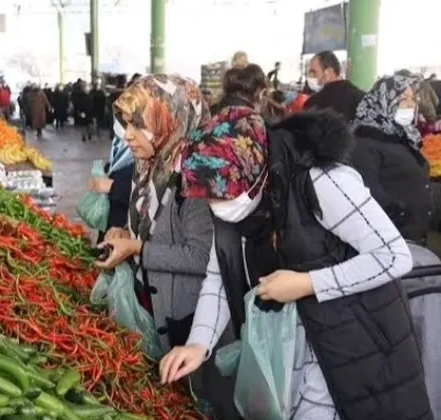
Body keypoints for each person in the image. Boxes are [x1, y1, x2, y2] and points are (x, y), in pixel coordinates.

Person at [162, 63, 432, 420]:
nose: (217, 206)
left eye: (222, 196)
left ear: (256, 170)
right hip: (297, 346)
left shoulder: (320, 182)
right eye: (209, 199)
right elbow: (218, 271)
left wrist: (307, 283)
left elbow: (394, 256)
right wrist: (199, 343)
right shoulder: (230, 191)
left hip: (358, 344)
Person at [96, 74, 213, 352]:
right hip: (150, 301)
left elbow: (201, 256)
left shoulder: (194, 178)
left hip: (183, 320)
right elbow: (150, 227)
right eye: (127, 124)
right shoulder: (148, 166)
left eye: (138, 124)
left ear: (168, 120)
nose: (127, 134)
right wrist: (125, 233)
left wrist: (136, 248)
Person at [350, 74, 431, 245]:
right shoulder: (365, 141)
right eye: (403, 99)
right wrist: (402, 217)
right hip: (390, 238)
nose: (411, 104)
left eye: (412, 98)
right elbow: (368, 190)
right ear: (383, 100)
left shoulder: (403, 136)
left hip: (413, 235)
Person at [304, 50, 365, 122]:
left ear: (329, 72)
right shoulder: (361, 97)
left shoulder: (313, 103)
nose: (310, 77)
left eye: (313, 72)